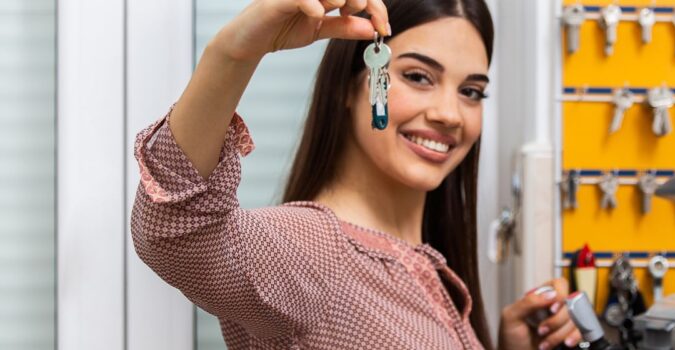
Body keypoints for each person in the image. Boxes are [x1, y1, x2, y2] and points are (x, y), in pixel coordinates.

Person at [131, 0, 582, 349]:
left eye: (471, 91)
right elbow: (176, 232)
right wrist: (235, 51)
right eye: (419, 77)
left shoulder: (426, 264)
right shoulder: (309, 250)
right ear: (352, 84)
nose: (450, 114)